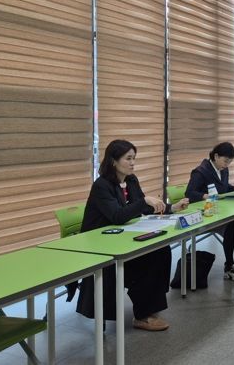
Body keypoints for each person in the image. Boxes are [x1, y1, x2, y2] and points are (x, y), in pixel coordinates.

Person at [77, 139, 189, 331]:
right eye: (128, 158)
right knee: (148, 259)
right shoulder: (101, 185)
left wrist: (171, 208)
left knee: (160, 250)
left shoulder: (131, 180)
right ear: (113, 161)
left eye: (134, 158)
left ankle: (149, 307)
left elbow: (142, 208)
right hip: (101, 245)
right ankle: (143, 314)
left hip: (123, 238)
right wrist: (144, 201)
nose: (132, 163)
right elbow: (117, 216)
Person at [185, 142, 234, 280]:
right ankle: (229, 266)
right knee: (233, 223)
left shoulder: (223, 169)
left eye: (229, 162)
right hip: (205, 215)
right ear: (216, 156)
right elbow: (189, 193)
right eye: (225, 161)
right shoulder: (201, 171)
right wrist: (205, 196)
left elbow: (224, 187)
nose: (227, 165)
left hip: (220, 211)